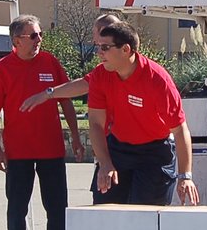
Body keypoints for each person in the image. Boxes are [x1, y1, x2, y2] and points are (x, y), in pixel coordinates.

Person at [0, 15, 84, 230]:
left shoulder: (50, 62)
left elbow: (66, 103)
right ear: (16, 41)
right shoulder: (3, 69)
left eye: (40, 34)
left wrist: (75, 137)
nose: (39, 39)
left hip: (51, 149)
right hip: (17, 153)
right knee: (17, 210)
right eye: (33, 35)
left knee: (57, 209)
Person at [84, 20, 200, 207]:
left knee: (145, 218)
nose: (99, 53)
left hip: (154, 154)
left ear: (126, 50)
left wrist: (185, 176)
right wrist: (105, 164)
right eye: (97, 46)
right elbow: (96, 124)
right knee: (105, 211)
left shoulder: (157, 80)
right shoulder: (100, 75)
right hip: (118, 149)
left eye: (105, 47)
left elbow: (180, 131)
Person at [19, 12, 125, 203]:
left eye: (101, 45)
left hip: (130, 149)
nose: (98, 50)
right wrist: (48, 93)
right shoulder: (103, 71)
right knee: (105, 208)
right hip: (108, 146)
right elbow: (82, 85)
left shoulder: (134, 69)